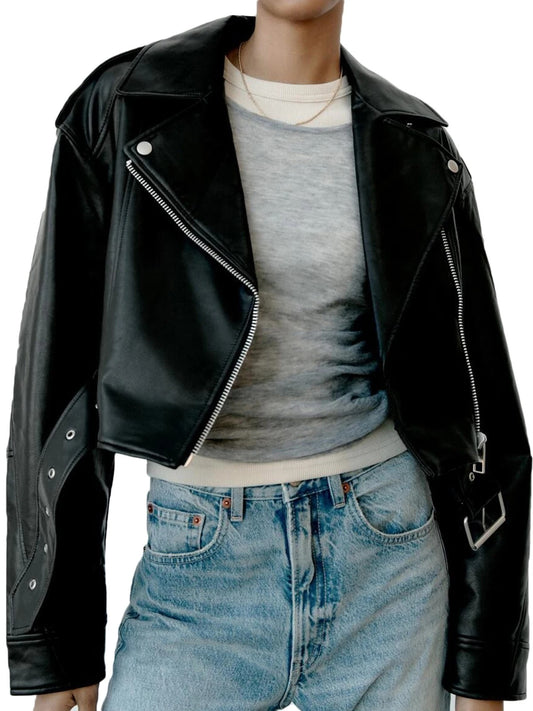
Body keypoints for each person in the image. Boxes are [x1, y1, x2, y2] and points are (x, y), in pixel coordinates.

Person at [5, 2, 531, 710]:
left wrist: (485, 660)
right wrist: (56, 636)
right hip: (196, 569)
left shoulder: (417, 142)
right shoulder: (127, 106)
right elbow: (57, 374)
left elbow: (483, 404)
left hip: (387, 560)